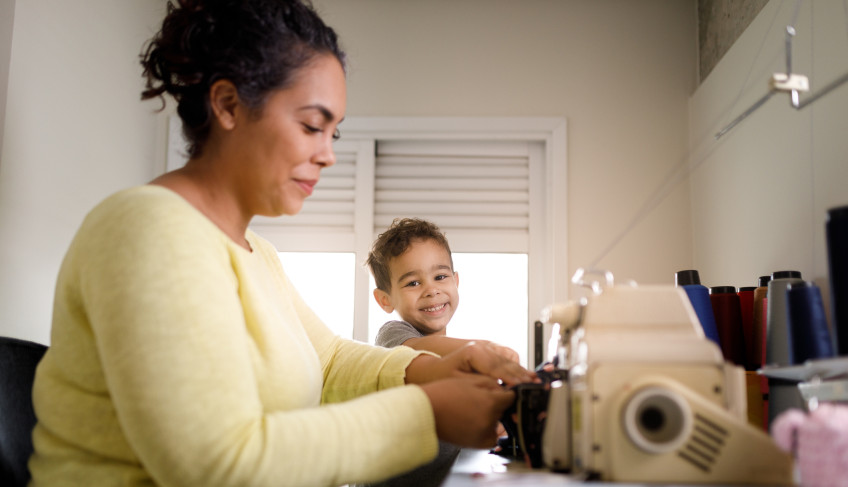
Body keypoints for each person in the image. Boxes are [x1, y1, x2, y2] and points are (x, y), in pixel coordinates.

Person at [27, 1, 536, 486]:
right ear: (228, 105)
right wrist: (429, 412)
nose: (327, 155)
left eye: (333, 133)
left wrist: (436, 370)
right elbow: (215, 462)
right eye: (313, 125)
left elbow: (330, 360)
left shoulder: (254, 251)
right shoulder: (148, 230)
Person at [362, 217, 525, 487]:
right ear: (385, 299)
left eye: (440, 277)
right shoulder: (393, 334)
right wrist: (483, 349)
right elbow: (417, 350)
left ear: (456, 281)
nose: (431, 290)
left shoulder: (466, 364)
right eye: (413, 283)